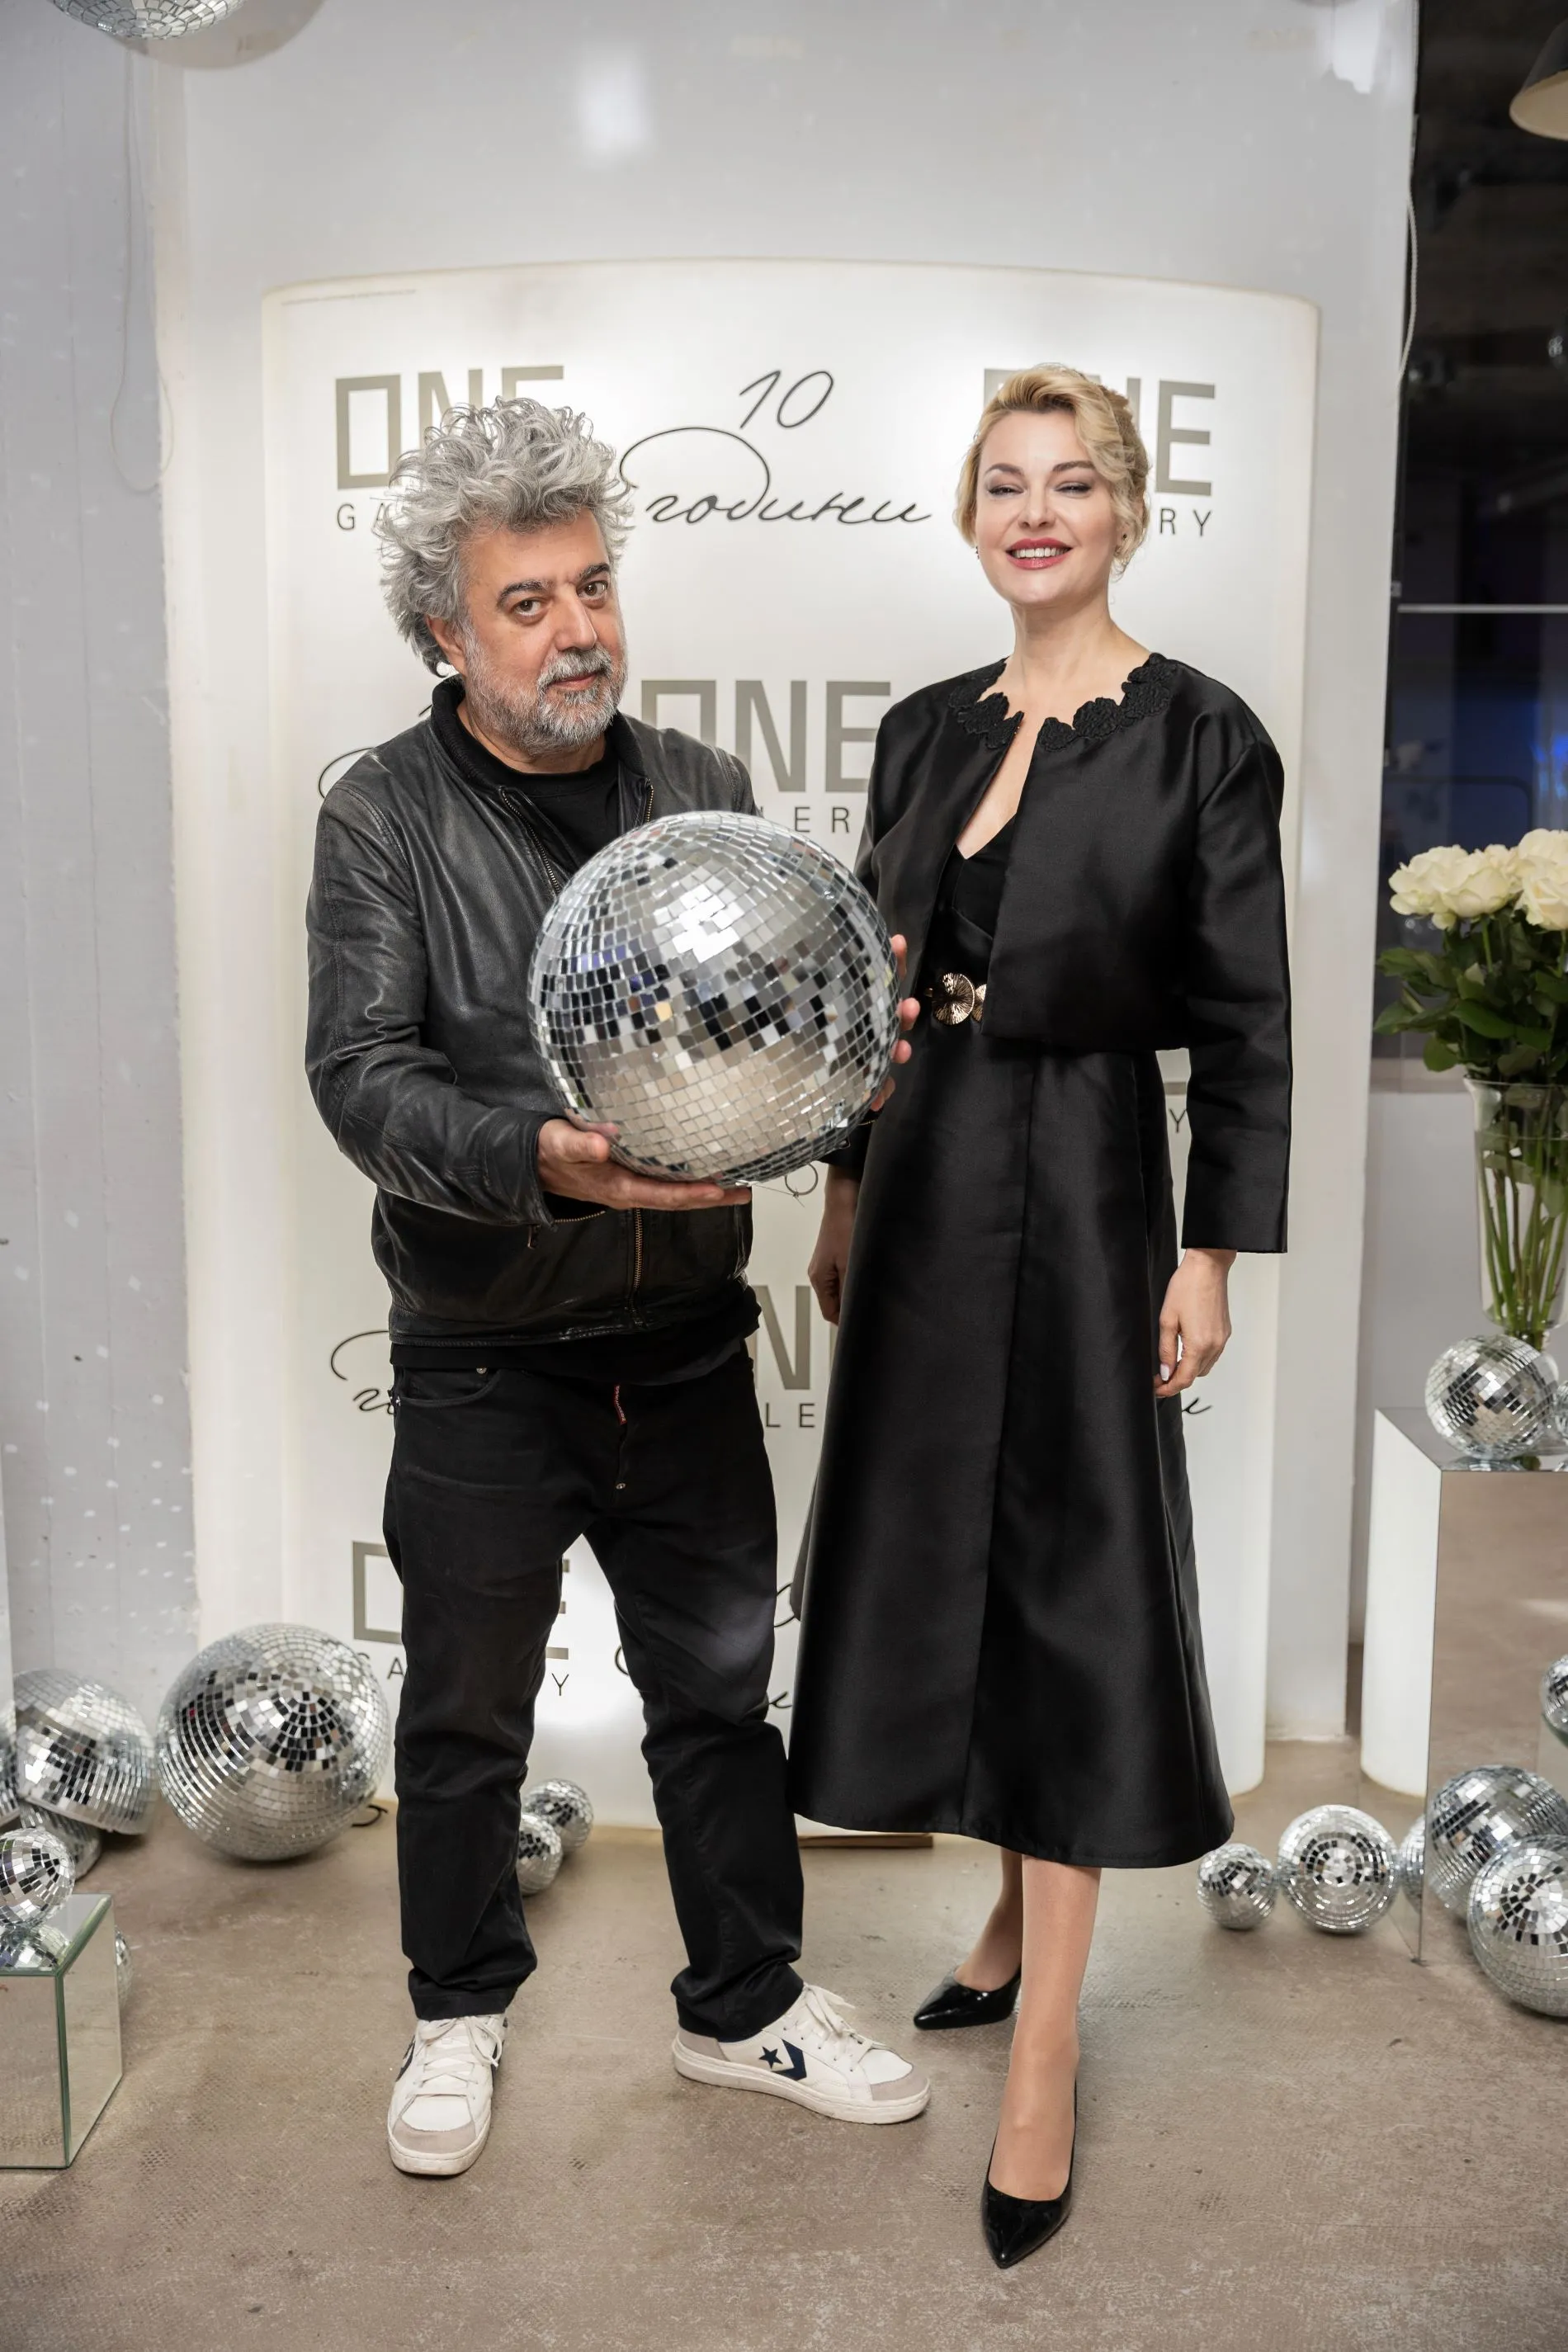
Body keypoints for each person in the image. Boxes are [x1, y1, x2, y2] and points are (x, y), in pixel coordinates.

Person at [305, 398, 927, 2179]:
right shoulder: (383, 814)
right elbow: (361, 1075)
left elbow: (762, 1049)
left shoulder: (703, 790)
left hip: (685, 1343)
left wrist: (849, 1057)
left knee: (718, 1702)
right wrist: (541, 1160)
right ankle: (456, 2008)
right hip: (484, 1353)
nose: (576, 628)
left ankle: (745, 2005)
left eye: (592, 587)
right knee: (463, 1714)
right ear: (446, 630)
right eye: (528, 602)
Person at [789, 366, 1292, 2268]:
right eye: (1003, 483)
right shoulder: (924, 728)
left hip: (1088, 1182)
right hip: (923, 1179)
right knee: (949, 1569)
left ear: (1125, 512)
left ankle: (1046, 2052)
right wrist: (843, 1188)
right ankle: (1004, 1924)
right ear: (968, 515)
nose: (1033, 513)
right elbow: (867, 985)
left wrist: (1209, 1252)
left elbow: (1242, 1020)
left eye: (1069, 483)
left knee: (1070, 1584)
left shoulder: (1199, 736)